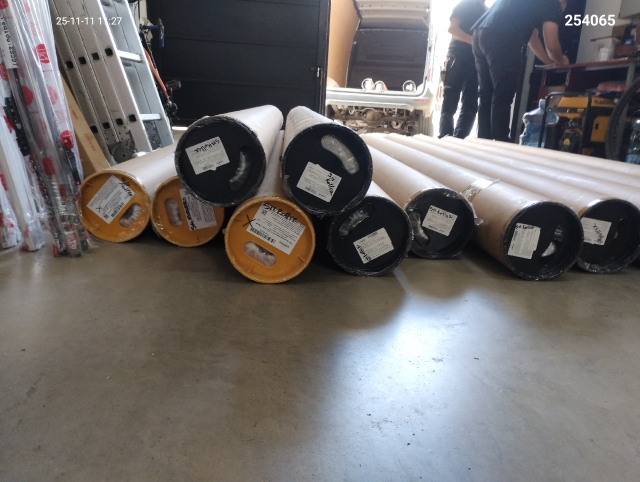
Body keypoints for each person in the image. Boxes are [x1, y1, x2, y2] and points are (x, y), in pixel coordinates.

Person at [472, 0, 569, 142]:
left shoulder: (532, 5)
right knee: (502, 94)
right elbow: (552, 46)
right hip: (502, 36)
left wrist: (549, 62)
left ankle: (483, 142)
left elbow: (532, 39)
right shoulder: (554, 3)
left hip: (480, 33)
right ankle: (501, 143)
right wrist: (561, 60)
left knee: (487, 94)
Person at [439, 0, 487, 139]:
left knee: (471, 104)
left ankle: (460, 138)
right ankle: (445, 137)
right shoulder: (466, 4)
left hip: (476, 60)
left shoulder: (486, 9)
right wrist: (474, 42)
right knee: (450, 101)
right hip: (458, 57)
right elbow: (452, 29)